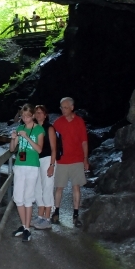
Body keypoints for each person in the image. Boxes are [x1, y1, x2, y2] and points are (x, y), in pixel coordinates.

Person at [9, 104, 44, 242]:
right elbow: (12, 149)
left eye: (28, 116)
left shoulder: (39, 130)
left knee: (28, 197)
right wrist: (13, 138)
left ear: (33, 116)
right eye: (23, 117)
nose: (25, 119)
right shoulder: (20, 128)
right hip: (19, 166)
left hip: (32, 167)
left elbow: (39, 149)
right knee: (18, 197)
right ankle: (24, 226)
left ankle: (27, 228)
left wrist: (27, 138)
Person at [52, 97, 89, 228]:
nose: (63, 110)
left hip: (77, 159)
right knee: (59, 188)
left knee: (76, 187)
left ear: (72, 107)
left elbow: (84, 141)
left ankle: (75, 215)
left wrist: (85, 159)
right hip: (61, 160)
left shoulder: (79, 122)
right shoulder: (57, 123)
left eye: (65, 107)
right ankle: (55, 213)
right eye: (61, 107)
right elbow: (52, 141)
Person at [31, 105, 57, 230]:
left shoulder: (49, 128)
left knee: (47, 187)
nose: (38, 114)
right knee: (37, 188)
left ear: (45, 115)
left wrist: (52, 165)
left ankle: (47, 218)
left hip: (47, 160)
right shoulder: (34, 128)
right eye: (36, 112)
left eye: (41, 112)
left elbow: (53, 149)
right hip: (36, 161)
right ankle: (40, 216)